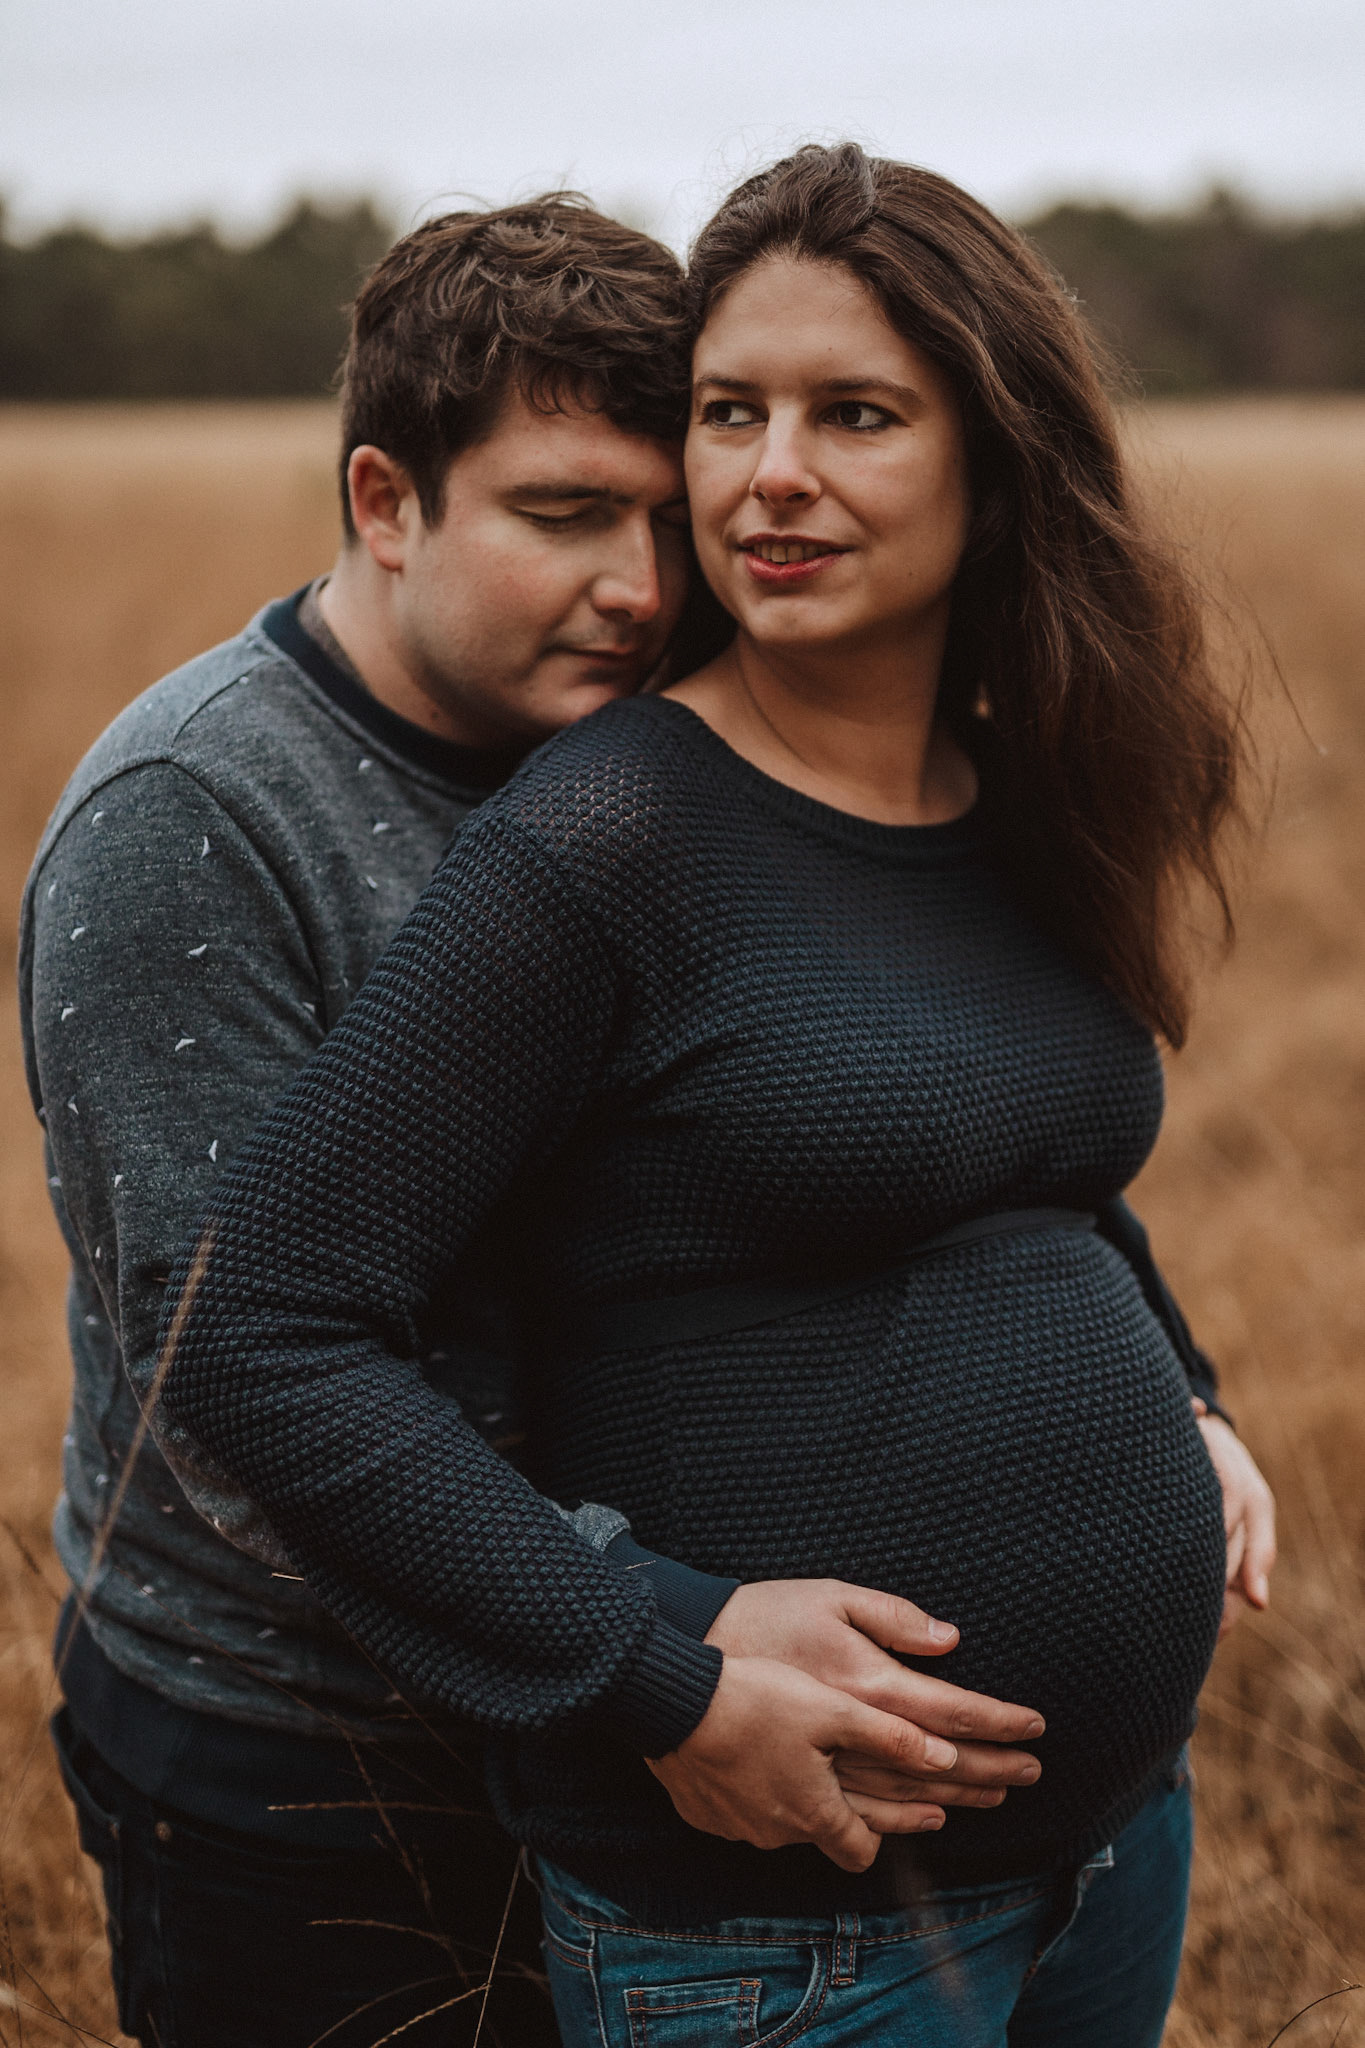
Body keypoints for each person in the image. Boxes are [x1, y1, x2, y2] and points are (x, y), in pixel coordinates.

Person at [155, 147, 1277, 2047]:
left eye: (856, 415)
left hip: (1109, 1853)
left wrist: (1180, 1392)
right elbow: (258, 1327)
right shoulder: (607, 843)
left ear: (997, 460)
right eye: (730, 412)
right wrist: (657, 1669)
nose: (769, 475)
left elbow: (1029, 1163)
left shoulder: (1015, 793)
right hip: (783, 1931)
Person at [21, 192, 1047, 2048]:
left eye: (663, 518)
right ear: (385, 502)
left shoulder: (668, 750)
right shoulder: (194, 817)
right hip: (312, 1766)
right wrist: (655, 1647)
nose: (644, 589)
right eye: (564, 517)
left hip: (643, 1728)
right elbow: (226, 1376)